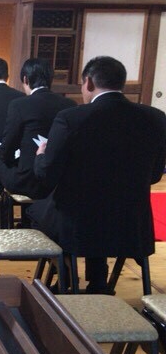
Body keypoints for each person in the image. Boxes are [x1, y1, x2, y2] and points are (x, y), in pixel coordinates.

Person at [30, 56, 166, 294]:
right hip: (131, 225)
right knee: (97, 209)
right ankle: (98, 282)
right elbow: (155, 175)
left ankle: (65, 276)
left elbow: (47, 174)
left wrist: (40, 155)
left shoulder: (72, 118)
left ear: (89, 82)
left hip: (79, 225)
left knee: (37, 212)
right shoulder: (155, 118)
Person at [0, 58, 76, 198]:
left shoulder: (19, 104)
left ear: (25, 79)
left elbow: (8, 145)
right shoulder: (69, 104)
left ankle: (1, 212)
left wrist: (10, 162)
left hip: (28, 180)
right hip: (58, 180)